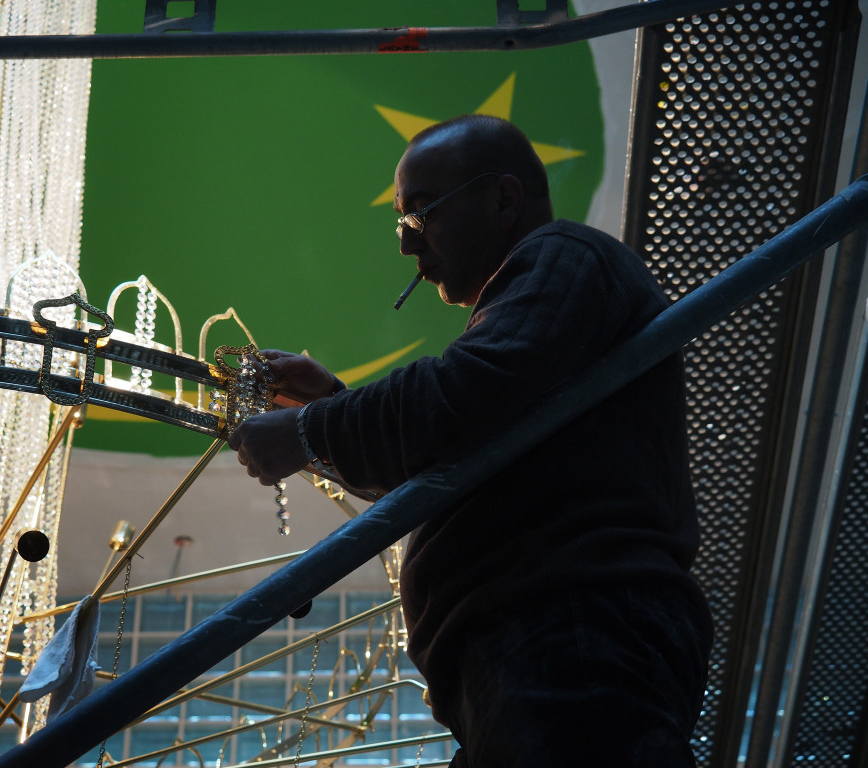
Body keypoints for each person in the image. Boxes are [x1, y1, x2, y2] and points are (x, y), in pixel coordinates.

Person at [228, 114, 713, 767]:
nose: (406, 244)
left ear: (504, 198)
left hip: (568, 640)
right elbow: (458, 451)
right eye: (400, 222)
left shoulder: (565, 255)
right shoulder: (550, 314)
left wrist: (313, 429)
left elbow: (470, 392)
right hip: (539, 657)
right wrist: (335, 411)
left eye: (420, 213)